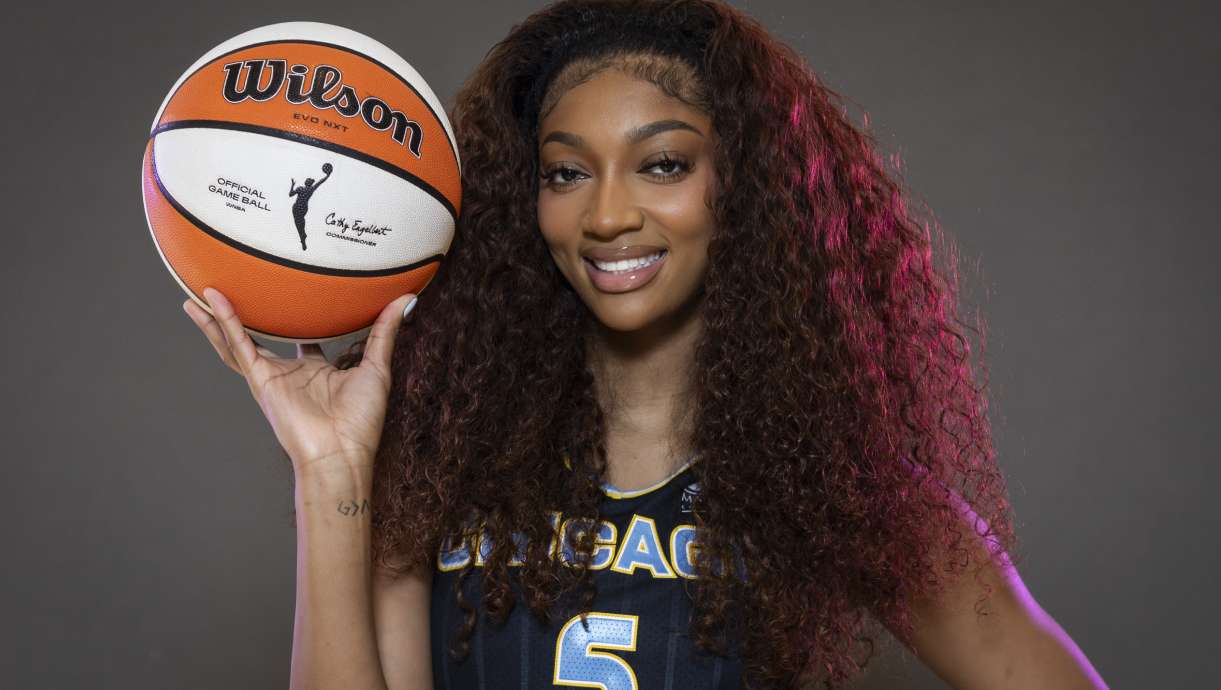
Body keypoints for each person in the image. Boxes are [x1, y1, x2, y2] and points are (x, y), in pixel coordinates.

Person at [181, 1, 1111, 688]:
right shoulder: (441, 470)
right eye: (566, 172)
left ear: (742, 187)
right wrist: (331, 473)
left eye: (663, 163)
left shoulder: (840, 486)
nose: (609, 214)